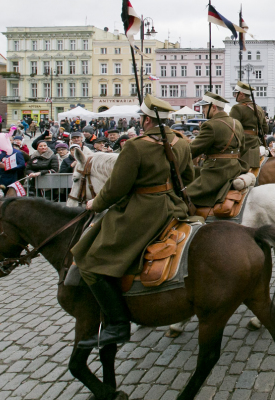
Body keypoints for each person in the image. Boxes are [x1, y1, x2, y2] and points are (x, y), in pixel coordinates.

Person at [72, 95, 194, 349]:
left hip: (143, 212)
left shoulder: (136, 146)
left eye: (141, 118)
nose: (140, 122)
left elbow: (116, 188)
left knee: (89, 260)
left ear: (147, 120)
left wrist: (95, 204)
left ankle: (117, 324)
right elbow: (188, 177)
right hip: (174, 207)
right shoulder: (181, 142)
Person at [188, 92, 246, 207]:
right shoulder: (237, 123)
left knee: (184, 195)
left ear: (213, 107)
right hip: (235, 168)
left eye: (204, 107)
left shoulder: (210, 125)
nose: (203, 110)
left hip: (216, 173)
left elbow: (192, 150)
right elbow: (242, 148)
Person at [229, 81, 268, 170]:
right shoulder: (258, 108)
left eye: (236, 93)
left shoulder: (237, 108)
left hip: (242, 146)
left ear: (241, 94)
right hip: (256, 144)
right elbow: (265, 129)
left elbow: (230, 129)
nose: (235, 96)